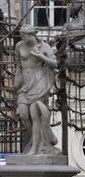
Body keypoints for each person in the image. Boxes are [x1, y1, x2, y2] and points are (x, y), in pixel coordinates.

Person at [14, 25, 60, 156]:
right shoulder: (19, 46)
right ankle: (41, 137)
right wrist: (17, 81)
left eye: (24, 35)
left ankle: (35, 147)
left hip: (39, 81)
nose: (22, 37)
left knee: (35, 114)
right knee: (23, 114)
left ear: (32, 35)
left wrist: (41, 57)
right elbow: (18, 65)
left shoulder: (44, 47)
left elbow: (54, 63)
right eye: (21, 35)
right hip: (25, 83)